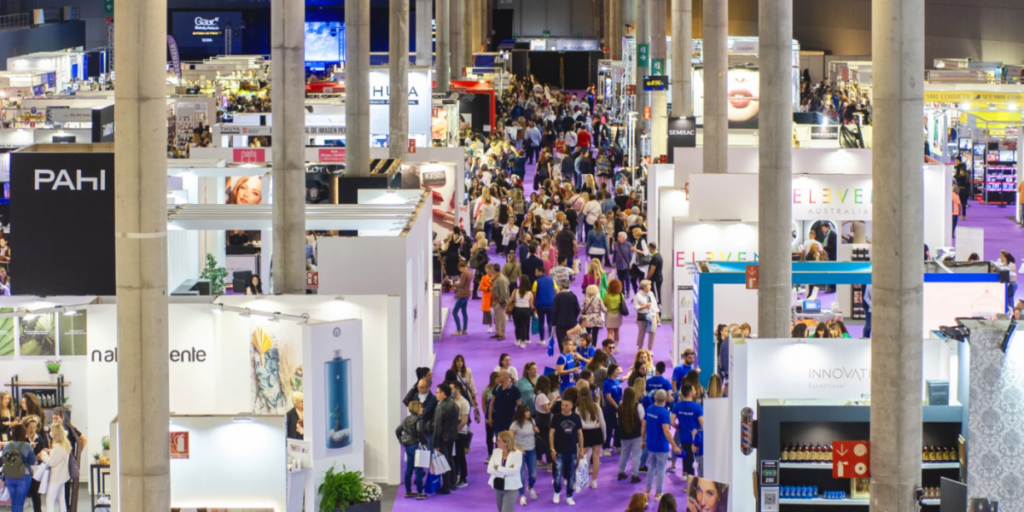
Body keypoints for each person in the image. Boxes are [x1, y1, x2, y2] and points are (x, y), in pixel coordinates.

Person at [642, 390, 682, 501]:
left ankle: (647, 491)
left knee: (652, 467)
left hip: (651, 444)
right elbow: (666, 431)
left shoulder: (649, 409)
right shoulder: (664, 413)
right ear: (665, 399)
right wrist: (674, 446)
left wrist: (642, 440)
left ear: (655, 397)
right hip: (661, 446)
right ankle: (658, 493)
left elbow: (643, 425)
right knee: (661, 468)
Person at [549, 389, 584, 505]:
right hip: (559, 451)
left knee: (571, 474)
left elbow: (580, 434)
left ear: (572, 406)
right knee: (557, 474)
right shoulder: (556, 417)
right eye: (562, 405)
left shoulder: (576, 417)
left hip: (572, 451)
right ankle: (557, 492)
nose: (563, 407)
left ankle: (569, 495)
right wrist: (552, 449)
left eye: (566, 405)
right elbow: (551, 434)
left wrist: (581, 450)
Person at [51, 407, 83, 511]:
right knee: (60, 488)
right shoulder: (53, 430)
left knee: (64, 487)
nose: (55, 421)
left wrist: (78, 454)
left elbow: (83, 439)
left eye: (57, 418)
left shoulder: (68, 428)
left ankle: (67, 508)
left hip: (66, 462)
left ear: (63, 418)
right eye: (53, 418)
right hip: (58, 463)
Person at [433, 383, 461, 494]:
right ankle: (452, 483)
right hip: (452, 437)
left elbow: (438, 426)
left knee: (444, 461)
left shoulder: (440, 407)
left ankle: (446, 486)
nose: (436, 394)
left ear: (443, 394)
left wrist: (435, 443)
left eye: (437, 392)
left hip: (443, 437)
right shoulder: (455, 405)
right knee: (450, 459)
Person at [577, 381, 606, 488]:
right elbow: (603, 422)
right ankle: (594, 481)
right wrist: (604, 435)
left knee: (581, 458)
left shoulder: (578, 408)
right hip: (596, 432)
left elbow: (579, 424)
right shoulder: (596, 406)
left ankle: (581, 480)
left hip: (584, 434)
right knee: (596, 457)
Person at [396, 401, 427, 499]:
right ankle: (419, 493)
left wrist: (401, 439)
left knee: (409, 469)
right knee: (418, 470)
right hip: (415, 444)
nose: (423, 409)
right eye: (421, 407)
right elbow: (419, 431)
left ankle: (408, 491)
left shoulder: (406, 419)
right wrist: (423, 441)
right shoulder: (418, 419)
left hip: (407, 445)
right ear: (417, 409)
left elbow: (397, 430)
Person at [672, 384, 704, 477]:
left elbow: (671, 421)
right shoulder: (697, 406)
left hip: (684, 437)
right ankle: (698, 481)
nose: (695, 391)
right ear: (690, 393)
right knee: (699, 461)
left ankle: (689, 483)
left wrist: (679, 427)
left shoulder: (677, 406)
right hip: (696, 439)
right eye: (694, 390)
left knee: (688, 461)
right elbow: (703, 424)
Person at [2, 424, 36, 512]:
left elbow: (3, 459)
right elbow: (33, 462)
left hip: (9, 475)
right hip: (23, 476)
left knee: (13, 501)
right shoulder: (27, 446)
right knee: (19, 503)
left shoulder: (7, 445)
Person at [510, 405, 539, 505]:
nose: (529, 413)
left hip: (532, 450)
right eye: (526, 411)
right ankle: (522, 496)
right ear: (521, 413)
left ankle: (530, 488)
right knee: (521, 475)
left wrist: (537, 431)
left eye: (528, 411)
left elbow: (536, 433)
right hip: (520, 453)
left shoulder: (532, 421)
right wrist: (518, 448)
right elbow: (509, 439)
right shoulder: (515, 424)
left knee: (534, 474)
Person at [489, 430, 524, 512]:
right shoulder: (496, 451)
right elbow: (490, 469)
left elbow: (514, 472)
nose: (497, 442)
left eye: (499, 440)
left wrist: (497, 468)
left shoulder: (517, 454)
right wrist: (507, 470)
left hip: (511, 488)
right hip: (497, 486)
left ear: (506, 442)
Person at [616, 387, 645, 483]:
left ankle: (621, 472)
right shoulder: (638, 406)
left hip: (624, 435)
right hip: (636, 435)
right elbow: (643, 421)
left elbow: (618, 420)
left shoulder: (620, 407)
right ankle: (635, 475)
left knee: (624, 453)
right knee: (636, 455)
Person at [42, 423, 72, 512]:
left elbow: (50, 462)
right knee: (61, 500)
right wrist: (51, 451)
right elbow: (58, 457)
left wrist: (43, 455)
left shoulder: (57, 447)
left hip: (55, 478)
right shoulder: (65, 445)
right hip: (62, 477)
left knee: (49, 501)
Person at [23, 415, 47, 512]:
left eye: (34, 427)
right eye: (30, 427)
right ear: (26, 427)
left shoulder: (39, 438)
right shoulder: (23, 438)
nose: (32, 430)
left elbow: (42, 450)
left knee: (36, 494)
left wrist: (40, 455)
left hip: (36, 469)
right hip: (25, 469)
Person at [533, 376, 557, 469]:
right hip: (544, 420)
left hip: (539, 418)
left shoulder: (536, 394)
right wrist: (553, 400)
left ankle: (540, 460)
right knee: (548, 441)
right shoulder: (542, 396)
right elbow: (547, 408)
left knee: (540, 440)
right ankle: (550, 463)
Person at [451, 381, 471, 488]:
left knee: (460, 456)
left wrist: (454, 430)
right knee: (453, 456)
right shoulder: (452, 401)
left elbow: (464, 421)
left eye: (452, 388)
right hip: (453, 432)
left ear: (457, 389)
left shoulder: (464, 403)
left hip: (461, 433)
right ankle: (455, 475)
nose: (450, 391)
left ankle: (463, 478)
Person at [489, 371, 522, 436]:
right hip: (498, 419)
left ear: (504, 377)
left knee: (509, 439)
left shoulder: (515, 390)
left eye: (499, 376)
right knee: (499, 439)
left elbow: (519, 405)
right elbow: (492, 402)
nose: (497, 378)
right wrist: (490, 416)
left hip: (510, 420)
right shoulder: (497, 388)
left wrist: (518, 418)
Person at [601, 364, 624, 454]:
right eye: (616, 370)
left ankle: (617, 445)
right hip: (610, 407)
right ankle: (606, 447)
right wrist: (617, 407)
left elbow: (620, 394)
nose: (618, 371)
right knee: (609, 427)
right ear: (612, 371)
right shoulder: (607, 382)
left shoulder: (617, 381)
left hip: (619, 405)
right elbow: (608, 397)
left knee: (619, 426)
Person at [552, 279, 581, 345]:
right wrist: (574, 318)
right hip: (571, 322)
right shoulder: (573, 296)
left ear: (561, 286)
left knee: (561, 340)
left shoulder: (558, 296)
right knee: (572, 340)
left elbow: (554, 310)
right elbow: (577, 309)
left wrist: (554, 322)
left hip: (560, 322)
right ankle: (571, 353)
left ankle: (563, 353)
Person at [633, 280, 660, 350]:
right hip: (642, 316)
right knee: (642, 332)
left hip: (652, 315)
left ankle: (650, 349)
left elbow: (655, 305)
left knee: (653, 332)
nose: (651, 286)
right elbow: (635, 307)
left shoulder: (651, 294)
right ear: (645, 287)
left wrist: (657, 316)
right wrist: (645, 306)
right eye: (649, 285)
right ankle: (639, 348)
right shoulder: (638, 296)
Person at [533, 267, 557, 342]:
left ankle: (542, 340)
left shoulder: (536, 282)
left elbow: (534, 295)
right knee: (550, 322)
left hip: (540, 305)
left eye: (536, 272)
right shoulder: (552, 280)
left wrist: (533, 305)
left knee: (541, 323)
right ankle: (551, 338)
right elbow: (556, 292)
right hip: (551, 304)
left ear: (541, 272)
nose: (535, 273)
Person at [511, 280, 535, 348]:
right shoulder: (530, 293)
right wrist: (534, 310)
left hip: (516, 310)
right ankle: (523, 342)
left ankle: (517, 340)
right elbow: (531, 305)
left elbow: (511, 300)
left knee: (517, 326)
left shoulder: (515, 291)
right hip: (526, 310)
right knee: (524, 326)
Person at [482, 372, 500, 459]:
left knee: (499, 436)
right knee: (489, 436)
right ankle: (490, 454)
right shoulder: (487, 390)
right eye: (497, 378)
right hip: (489, 416)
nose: (499, 379)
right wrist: (487, 415)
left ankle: (498, 453)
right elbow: (483, 403)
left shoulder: (501, 389)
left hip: (498, 416)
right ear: (493, 379)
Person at [452, 261, 472, 336]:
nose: (460, 270)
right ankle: (464, 329)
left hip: (462, 294)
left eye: (460, 269)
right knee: (464, 311)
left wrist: (453, 284)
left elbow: (461, 285)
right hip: (467, 294)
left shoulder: (464, 274)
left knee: (454, 312)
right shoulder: (470, 272)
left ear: (461, 267)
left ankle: (458, 330)